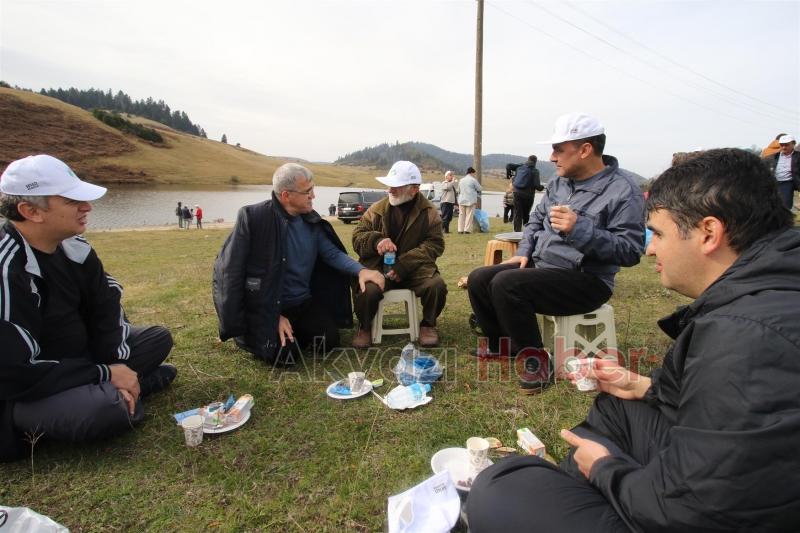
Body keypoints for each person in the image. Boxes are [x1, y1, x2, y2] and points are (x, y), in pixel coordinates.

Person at [467, 148, 800, 532]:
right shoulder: (759, 296)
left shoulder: (746, 337)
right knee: (617, 406)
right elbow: (721, 409)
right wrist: (642, 384)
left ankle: (584, 489)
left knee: (498, 485)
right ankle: (585, 497)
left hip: (693, 513)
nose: (651, 247)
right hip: (707, 482)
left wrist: (608, 471)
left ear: (709, 232)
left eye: (657, 233)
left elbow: (695, 512)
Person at [0, 154, 176, 462]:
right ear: (30, 211)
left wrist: (113, 363)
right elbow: (14, 371)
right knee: (106, 409)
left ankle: (123, 386)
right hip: (23, 389)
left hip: (79, 361)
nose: (87, 207)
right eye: (72, 200)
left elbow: (106, 310)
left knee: (158, 338)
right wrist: (105, 372)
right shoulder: (6, 268)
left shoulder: (74, 247)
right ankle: (127, 391)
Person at [467, 112, 645, 394]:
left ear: (585, 149)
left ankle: (537, 361)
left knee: (506, 284)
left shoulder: (623, 190)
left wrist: (580, 229)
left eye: (558, 149)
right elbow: (536, 219)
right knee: (480, 278)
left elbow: (631, 251)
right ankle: (505, 344)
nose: (551, 157)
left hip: (587, 280)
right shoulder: (560, 183)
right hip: (542, 266)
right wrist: (524, 251)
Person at [213, 163, 385, 365]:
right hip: (267, 306)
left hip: (301, 303)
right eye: (307, 191)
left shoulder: (310, 221)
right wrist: (272, 316)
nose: (313, 196)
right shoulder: (253, 218)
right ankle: (250, 337)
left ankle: (292, 333)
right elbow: (230, 274)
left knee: (328, 341)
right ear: (286, 195)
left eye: (313, 189)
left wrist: (362, 271)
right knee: (285, 358)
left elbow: (331, 253)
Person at [351, 161, 447, 348]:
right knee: (366, 289)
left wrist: (405, 263)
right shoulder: (376, 210)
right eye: (389, 185)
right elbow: (357, 237)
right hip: (379, 267)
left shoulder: (429, 213)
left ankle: (428, 324)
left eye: (396, 186)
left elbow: (435, 244)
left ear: (414, 189)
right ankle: (364, 326)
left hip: (415, 269)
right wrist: (376, 241)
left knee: (436, 286)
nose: (390, 190)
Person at [765, 134, 799, 210]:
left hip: (787, 182)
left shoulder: (798, 156)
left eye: (786, 145)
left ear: (793, 144)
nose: (784, 147)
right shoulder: (774, 156)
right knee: (772, 203)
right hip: (774, 182)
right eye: (782, 145)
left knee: (786, 204)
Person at [512, 154, 544, 231]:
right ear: (535, 162)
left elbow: (514, 180)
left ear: (528, 159)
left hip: (516, 193)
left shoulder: (519, 168)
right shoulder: (535, 171)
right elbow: (537, 186)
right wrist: (542, 187)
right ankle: (527, 231)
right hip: (528, 195)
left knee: (517, 214)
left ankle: (517, 232)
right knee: (526, 214)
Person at [457, 167, 482, 234]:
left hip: (461, 199)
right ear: (472, 173)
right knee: (469, 215)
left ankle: (460, 229)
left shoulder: (461, 180)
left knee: (461, 215)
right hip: (470, 200)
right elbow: (479, 188)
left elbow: (458, 190)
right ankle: (467, 230)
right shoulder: (473, 180)